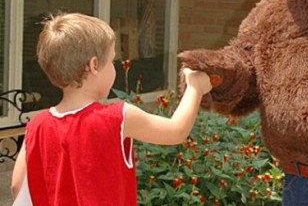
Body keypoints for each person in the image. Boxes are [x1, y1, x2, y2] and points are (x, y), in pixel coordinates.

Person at [10, 12, 212, 205]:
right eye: (113, 61)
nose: (115, 66)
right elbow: (176, 131)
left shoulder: (36, 125)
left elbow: (17, 186)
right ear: (94, 65)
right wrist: (195, 87)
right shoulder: (117, 117)